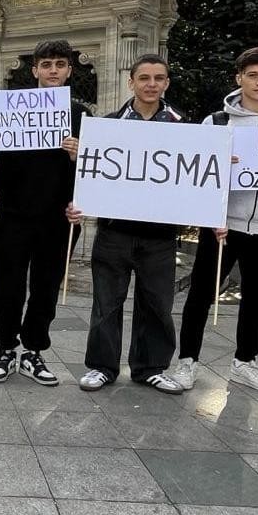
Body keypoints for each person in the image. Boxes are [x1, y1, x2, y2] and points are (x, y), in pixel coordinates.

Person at [171, 46, 258, 394]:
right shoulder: (216, 122)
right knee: (200, 295)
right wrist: (210, 211)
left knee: (257, 300)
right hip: (222, 225)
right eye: (253, 75)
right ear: (239, 78)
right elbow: (197, 174)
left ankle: (246, 362)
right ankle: (187, 363)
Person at [74, 54, 189, 394]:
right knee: (106, 304)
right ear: (132, 82)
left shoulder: (184, 127)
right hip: (114, 232)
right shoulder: (108, 125)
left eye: (158, 78)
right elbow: (94, 177)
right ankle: (101, 367)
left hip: (160, 235)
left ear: (166, 83)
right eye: (144, 78)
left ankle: (150, 367)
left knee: (157, 304)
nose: (151, 84)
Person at [0, 39, 86, 387]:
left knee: (46, 288)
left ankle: (33, 351)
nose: (53, 71)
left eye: (60, 64)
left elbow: (94, 174)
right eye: (47, 65)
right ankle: (5, 350)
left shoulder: (80, 116)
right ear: (35, 70)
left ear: (69, 70)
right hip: (14, 216)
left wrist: (78, 158)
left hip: (57, 220)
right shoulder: (10, 111)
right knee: (7, 288)